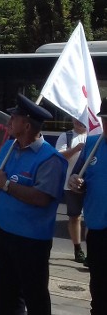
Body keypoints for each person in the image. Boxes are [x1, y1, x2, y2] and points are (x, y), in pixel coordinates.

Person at [0, 94, 67, 315]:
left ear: (27, 124)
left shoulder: (50, 159)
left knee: (34, 296)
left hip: (31, 240)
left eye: (13, 118)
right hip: (4, 232)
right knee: (6, 296)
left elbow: (42, 198)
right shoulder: (9, 147)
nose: (7, 122)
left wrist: (4, 185)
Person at [69, 97, 107, 315]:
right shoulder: (94, 144)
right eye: (105, 120)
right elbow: (80, 178)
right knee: (99, 287)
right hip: (98, 228)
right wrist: (76, 183)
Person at [56, 118, 88, 263]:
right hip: (70, 184)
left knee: (92, 218)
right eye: (76, 119)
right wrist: (76, 149)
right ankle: (77, 249)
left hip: (90, 184)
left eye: (82, 120)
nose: (79, 122)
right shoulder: (66, 136)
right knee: (75, 217)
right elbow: (59, 156)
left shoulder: (94, 136)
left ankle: (92, 251)